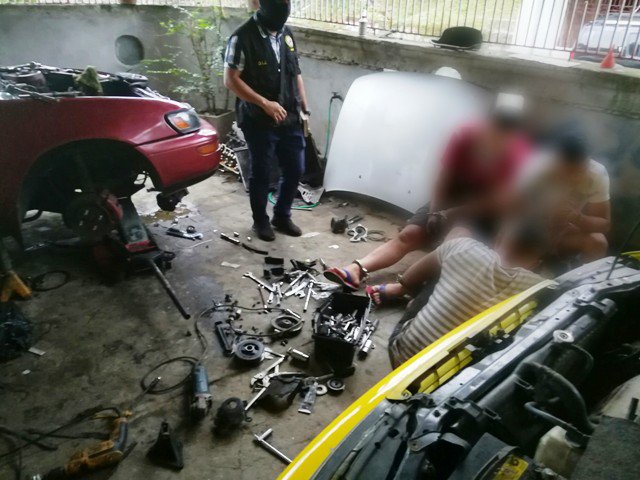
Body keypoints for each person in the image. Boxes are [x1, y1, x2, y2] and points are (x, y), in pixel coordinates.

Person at [324, 96, 530, 293]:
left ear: (511, 137)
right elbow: (444, 176)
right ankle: (356, 270)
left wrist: (450, 214)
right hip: (454, 193)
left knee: (452, 245)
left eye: (501, 138)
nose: (493, 142)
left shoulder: (517, 154)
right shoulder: (465, 135)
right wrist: (434, 212)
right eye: (490, 133)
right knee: (410, 235)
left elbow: (497, 202)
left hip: (483, 208)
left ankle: (408, 288)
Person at [384, 223, 547, 368]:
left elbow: (409, 279)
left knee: (447, 266)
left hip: (401, 354)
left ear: (499, 237)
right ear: (537, 263)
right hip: (443, 384)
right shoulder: (539, 287)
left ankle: (408, 303)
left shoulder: (464, 246)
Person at [224, 0, 310, 241]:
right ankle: (260, 221)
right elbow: (230, 80)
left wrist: (305, 107)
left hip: (289, 115)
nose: (285, 6)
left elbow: (296, 72)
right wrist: (264, 103)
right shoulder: (242, 37)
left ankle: (281, 216)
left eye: (287, 1)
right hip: (258, 118)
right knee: (262, 172)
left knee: (296, 168)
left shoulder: (287, 35)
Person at [518, 129, 610, 262]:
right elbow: (511, 209)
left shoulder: (596, 174)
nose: (573, 178)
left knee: (598, 242)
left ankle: (580, 275)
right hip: (531, 231)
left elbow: (604, 225)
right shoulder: (537, 166)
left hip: (564, 232)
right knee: (513, 233)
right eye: (567, 172)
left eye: (579, 171)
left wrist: (575, 217)